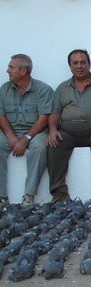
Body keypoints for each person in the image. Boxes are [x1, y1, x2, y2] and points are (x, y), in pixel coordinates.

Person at [47, 50, 91, 205]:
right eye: (75, 63)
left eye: (83, 62)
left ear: (89, 64)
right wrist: (52, 130)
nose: (79, 66)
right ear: (70, 66)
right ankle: (59, 193)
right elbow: (55, 113)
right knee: (53, 144)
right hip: (68, 132)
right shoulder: (62, 88)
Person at [0, 54, 53, 207]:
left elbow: (44, 117)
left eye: (11, 67)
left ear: (23, 71)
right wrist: (10, 136)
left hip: (35, 132)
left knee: (40, 147)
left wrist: (26, 139)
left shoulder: (42, 90)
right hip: (10, 130)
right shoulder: (4, 89)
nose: (7, 70)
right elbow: (1, 115)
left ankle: (29, 194)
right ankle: (1, 196)